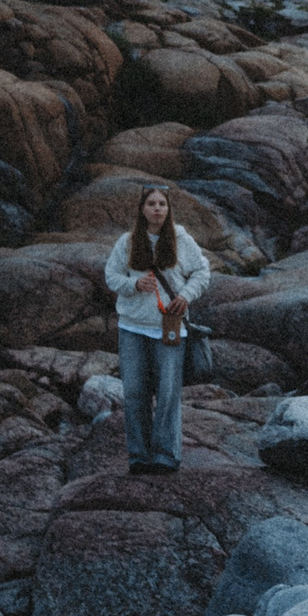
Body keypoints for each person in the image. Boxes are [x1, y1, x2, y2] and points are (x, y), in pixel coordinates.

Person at [105, 184, 211, 473]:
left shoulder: (180, 239)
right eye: (151, 203)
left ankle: (166, 455)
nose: (157, 209)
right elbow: (111, 276)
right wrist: (133, 284)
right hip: (132, 328)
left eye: (162, 204)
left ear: (168, 208)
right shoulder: (127, 242)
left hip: (169, 326)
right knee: (135, 392)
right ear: (142, 208)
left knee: (168, 392)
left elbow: (202, 271)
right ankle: (138, 455)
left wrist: (186, 295)